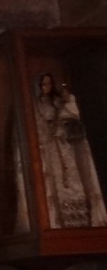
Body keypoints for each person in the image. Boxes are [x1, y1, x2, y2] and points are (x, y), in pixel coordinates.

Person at [34, 73, 107, 228]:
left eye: (48, 84)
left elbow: (73, 115)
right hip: (50, 145)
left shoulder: (61, 99)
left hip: (66, 144)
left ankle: (82, 219)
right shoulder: (39, 103)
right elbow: (40, 124)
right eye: (43, 84)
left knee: (73, 177)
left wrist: (62, 112)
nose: (46, 87)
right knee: (56, 180)